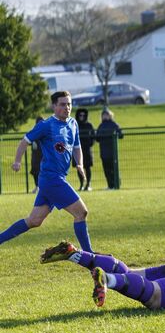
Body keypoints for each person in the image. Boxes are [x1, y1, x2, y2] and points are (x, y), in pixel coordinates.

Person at [0, 91, 95, 252]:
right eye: (63, 104)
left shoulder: (73, 124)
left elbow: (77, 147)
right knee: (81, 212)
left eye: (69, 104)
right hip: (52, 179)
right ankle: (90, 255)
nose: (67, 108)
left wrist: (79, 164)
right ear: (54, 106)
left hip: (54, 180)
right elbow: (25, 141)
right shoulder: (46, 125)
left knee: (34, 220)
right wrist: (17, 161)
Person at [96, 108, 123, 189]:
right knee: (106, 170)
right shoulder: (101, 126)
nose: (104, 116)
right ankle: (110, 185)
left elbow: (121, 135)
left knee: (114, 169)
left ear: (110, 115)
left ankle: (116, 184)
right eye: (103, 115)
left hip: (113, 152)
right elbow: (97, 138)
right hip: (104, 152)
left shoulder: (114, 125)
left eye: (106, 114)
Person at [73, 108, 95, 191]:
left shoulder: (89, 125)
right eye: (80, 115)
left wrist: (90, 143)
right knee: (79, 167)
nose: (82, 117)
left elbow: (93, 136)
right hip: (77, 150)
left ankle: (88, 184)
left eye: (83, 115)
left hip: (87, 149)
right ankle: (81, 184)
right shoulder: (75, 125)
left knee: (87, 167)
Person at [30, 116, 45, 194]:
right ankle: (37, 186)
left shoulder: (46, 131)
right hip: (35, 156)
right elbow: (27, 140)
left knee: (42, 172)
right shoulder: (34, 131)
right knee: (35, 171)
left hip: (44, 156)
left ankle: (42, 187)